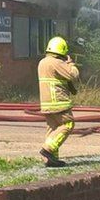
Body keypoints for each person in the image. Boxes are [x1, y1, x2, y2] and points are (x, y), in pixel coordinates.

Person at [37, 35, 79, 168]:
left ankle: (52, 160)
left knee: (53, 129)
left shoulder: (43, 62)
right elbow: (73, 75)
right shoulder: (56, 63)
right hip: (58, 102)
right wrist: (70, 63)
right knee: (68, 125)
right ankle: (48, 149)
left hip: (46, 104)